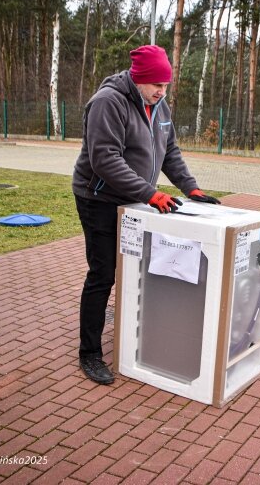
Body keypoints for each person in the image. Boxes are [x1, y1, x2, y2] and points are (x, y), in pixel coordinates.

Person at [72, 44, 221, 385]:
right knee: (103, 273)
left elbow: (169, 150)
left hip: (137, 198)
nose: (161, 91)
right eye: (156, 84)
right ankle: (90, 353)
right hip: (99, 198)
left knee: (134, 266)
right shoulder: (107, 102)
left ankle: (131, 331)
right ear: (138, 78)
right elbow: (104, 159)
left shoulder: (158, 104)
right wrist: (150, 193)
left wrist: (190, 187)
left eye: (165, 85)